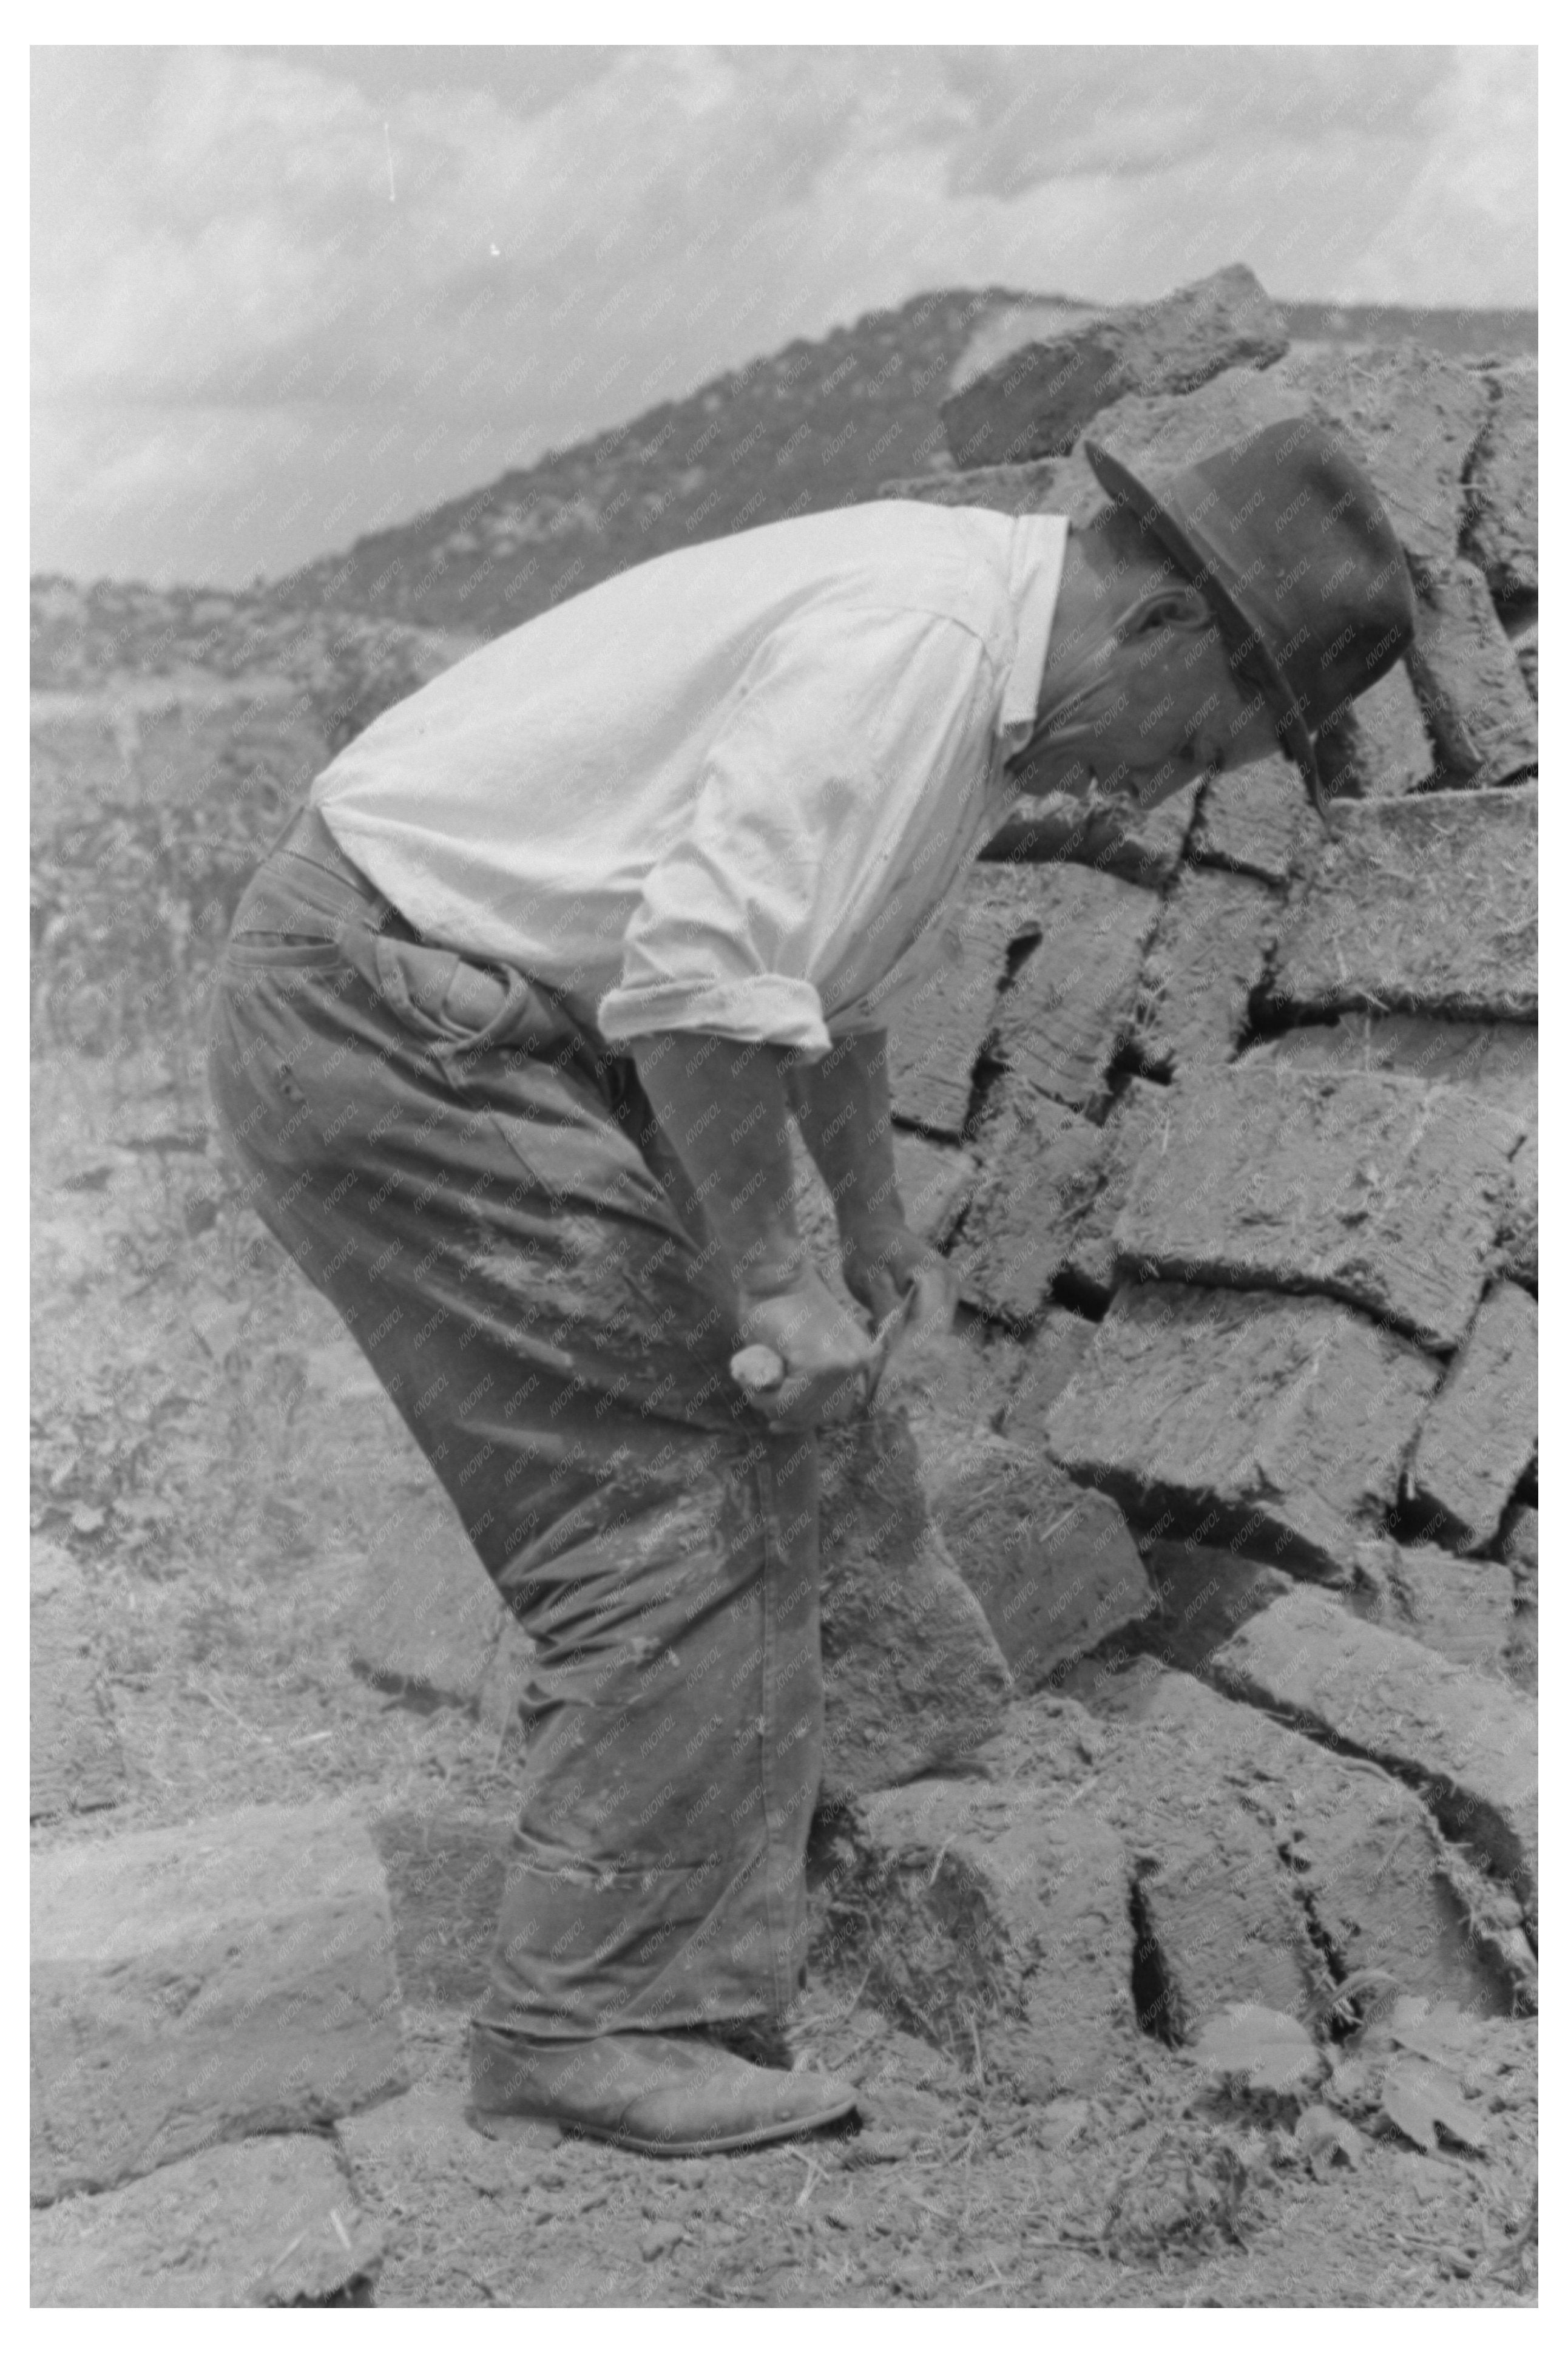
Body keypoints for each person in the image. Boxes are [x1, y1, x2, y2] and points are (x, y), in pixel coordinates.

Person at [208, 418, 1415, 2156]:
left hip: (446, 1006)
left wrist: (868, 1227)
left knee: (710, 1464)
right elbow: (703, 977)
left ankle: (670, 1983)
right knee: (673, 1489)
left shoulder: (974, 684)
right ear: (1161, 627)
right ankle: (585, 2028)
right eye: (1193, 743)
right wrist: (773, 1288)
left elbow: (818, 987)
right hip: (390, 1014)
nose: (1153, 793)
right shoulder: (917, 648)